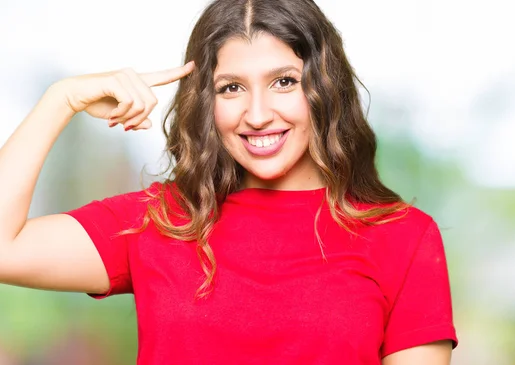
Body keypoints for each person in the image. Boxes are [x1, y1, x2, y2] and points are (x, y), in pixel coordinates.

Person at [0, 0, 458, 364]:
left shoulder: (402, 236)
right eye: (231, 88)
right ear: (206, 102)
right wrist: (61, 99)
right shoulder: (161, 219)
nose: (257, 116)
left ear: (324, 87)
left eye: (283, 81)